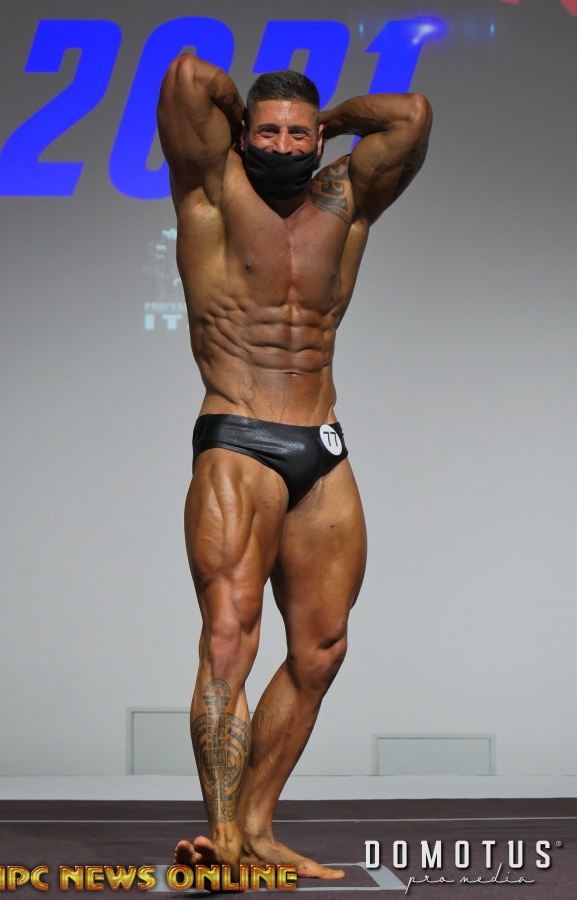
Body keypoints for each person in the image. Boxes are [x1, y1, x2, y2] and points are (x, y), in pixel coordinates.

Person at [156, 55, 432, 880]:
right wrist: (247, 117)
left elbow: (411, 116)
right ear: (246, 132)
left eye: (299, 134)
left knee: (322, 649)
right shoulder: (214, 189)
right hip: (238, 438)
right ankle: (222, 840)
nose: (283, 144)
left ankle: (258, 826)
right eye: (269, 131)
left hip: (323, 443)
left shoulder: (344, 200)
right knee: (229, 639)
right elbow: (188, 77)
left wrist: (334, 120)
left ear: (320, 141)